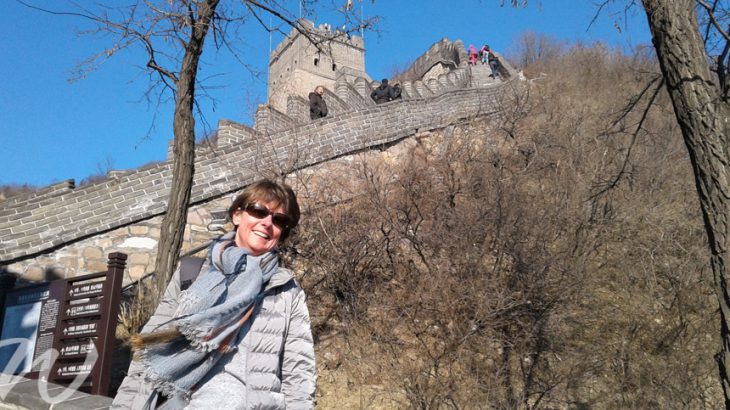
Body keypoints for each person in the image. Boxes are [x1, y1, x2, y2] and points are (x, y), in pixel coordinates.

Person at [112, 179, 315, 409]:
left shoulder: (286, 290)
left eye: (278, 220)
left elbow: (299, 373)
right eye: (258, 211)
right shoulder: (191, 274)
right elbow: (148, 353)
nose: (267, 223)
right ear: (237, 215)